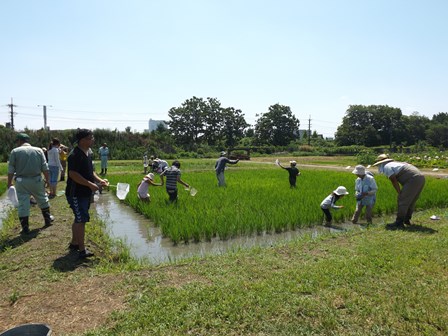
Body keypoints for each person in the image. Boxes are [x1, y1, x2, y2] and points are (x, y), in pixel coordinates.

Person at [66, 129, 108, 259]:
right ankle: (82, 250)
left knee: (79, 218)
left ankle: (74, 243)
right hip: (76, 193)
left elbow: (91, 172)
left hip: (85, 192)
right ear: (82, 140)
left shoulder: (88, 153)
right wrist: (90, 185)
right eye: (90, 138)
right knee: (81, 220)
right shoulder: (75, 155)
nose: (93, 140)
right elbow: (73, 174)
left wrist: (100, 180)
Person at [7, 133, 54, 234]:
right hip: (36, 179)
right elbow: (45, 167)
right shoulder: (38, 150)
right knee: (42, 198)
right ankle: (47, 220)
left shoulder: (15, 151)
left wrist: (9, 182)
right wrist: (48, 180)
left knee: (23, 203)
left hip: (21, 181)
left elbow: (11, 169)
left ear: (19, 141)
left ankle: (25, 228)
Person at [372, 154, 425, 229]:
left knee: (402, 200)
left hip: (412, 179)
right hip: (421, 178)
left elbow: (394, 181)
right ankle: (406, 220)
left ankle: (399, 222)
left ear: (381, 163)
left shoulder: (387, 167)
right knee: (411, 200)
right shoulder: (396, 163)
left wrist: (399, 192)